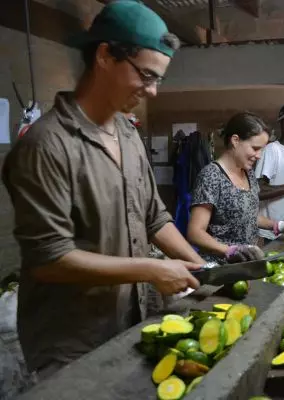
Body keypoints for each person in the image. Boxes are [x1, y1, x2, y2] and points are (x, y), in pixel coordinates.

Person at [1, 1, 206, 380]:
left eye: (158, 78)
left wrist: (200, 269)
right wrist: (150, 269)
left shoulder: (127, 134)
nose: (154, 91)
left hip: (131, 320)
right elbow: (50, 260)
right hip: (72, 340)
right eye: (146, 75)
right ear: (105, 56)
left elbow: (154, 217)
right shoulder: (47, 145)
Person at [188, 112, 284, 263]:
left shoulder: (248, 173)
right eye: (255, 148)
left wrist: (278, 225)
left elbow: (247, 214)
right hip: (220, 267)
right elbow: (195, 232)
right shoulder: (211, 176)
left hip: (245, 266)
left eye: (262, 149)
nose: (259, 155)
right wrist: (229, 251)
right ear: (235, 140)